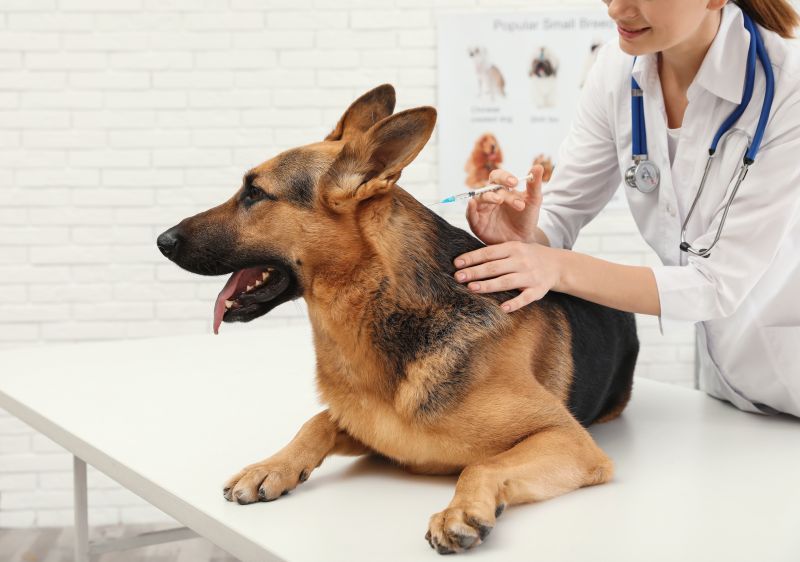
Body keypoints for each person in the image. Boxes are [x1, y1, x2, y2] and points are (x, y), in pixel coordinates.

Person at [452, 0, 800, 417]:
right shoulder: (617, 70)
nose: (617, 9)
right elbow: (564, 207)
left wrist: (557, 267)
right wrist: (527, 233)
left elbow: (716, 284)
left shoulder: (786, 88)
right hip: (725, 386)